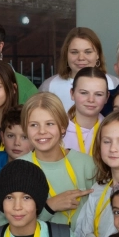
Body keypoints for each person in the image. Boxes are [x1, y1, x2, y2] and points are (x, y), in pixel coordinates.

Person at [21, 91, 95, 228]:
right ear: (25, 129)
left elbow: (101, 215)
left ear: (62, 127)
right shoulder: (17, 169)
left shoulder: (88, 164)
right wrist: (49, 207)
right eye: (34, 125)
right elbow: (10, 226)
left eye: (49, 124)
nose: (42, 131)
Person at [40, 28, 119, 111]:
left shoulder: (114, 84)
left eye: (88, 52)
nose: (81, 58)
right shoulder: (49, 87)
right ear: (66, 55)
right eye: (74, 52)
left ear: (98, 55)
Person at [63, 68, 108, 155]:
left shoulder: (113, 129)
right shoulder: (57, 130)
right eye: (84, 93)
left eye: (98, 94)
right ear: (72, 94)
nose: (91, 100)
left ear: (107, 97)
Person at [0, 107, 31, 182]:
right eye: (10, 136)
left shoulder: (42, 173)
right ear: (2, 137)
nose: (16, 143)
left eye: (24, 137)